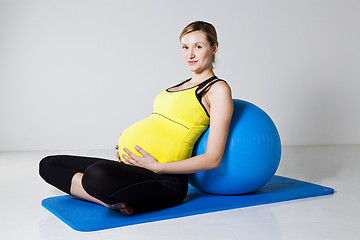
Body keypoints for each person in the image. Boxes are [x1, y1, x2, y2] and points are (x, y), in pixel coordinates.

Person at [39, 21, 233, 216]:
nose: (190, 54)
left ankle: (108, 193)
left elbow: (213, 158)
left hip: (167, 182)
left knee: (97, 174)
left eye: (198, 47)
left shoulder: (216, 89)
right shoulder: (182, 84)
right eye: (185, 47)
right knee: (49, 164)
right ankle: (108, 202)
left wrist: (157, 168)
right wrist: (131, 140)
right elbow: (162, 124)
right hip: (136, 169)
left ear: (214, 48)